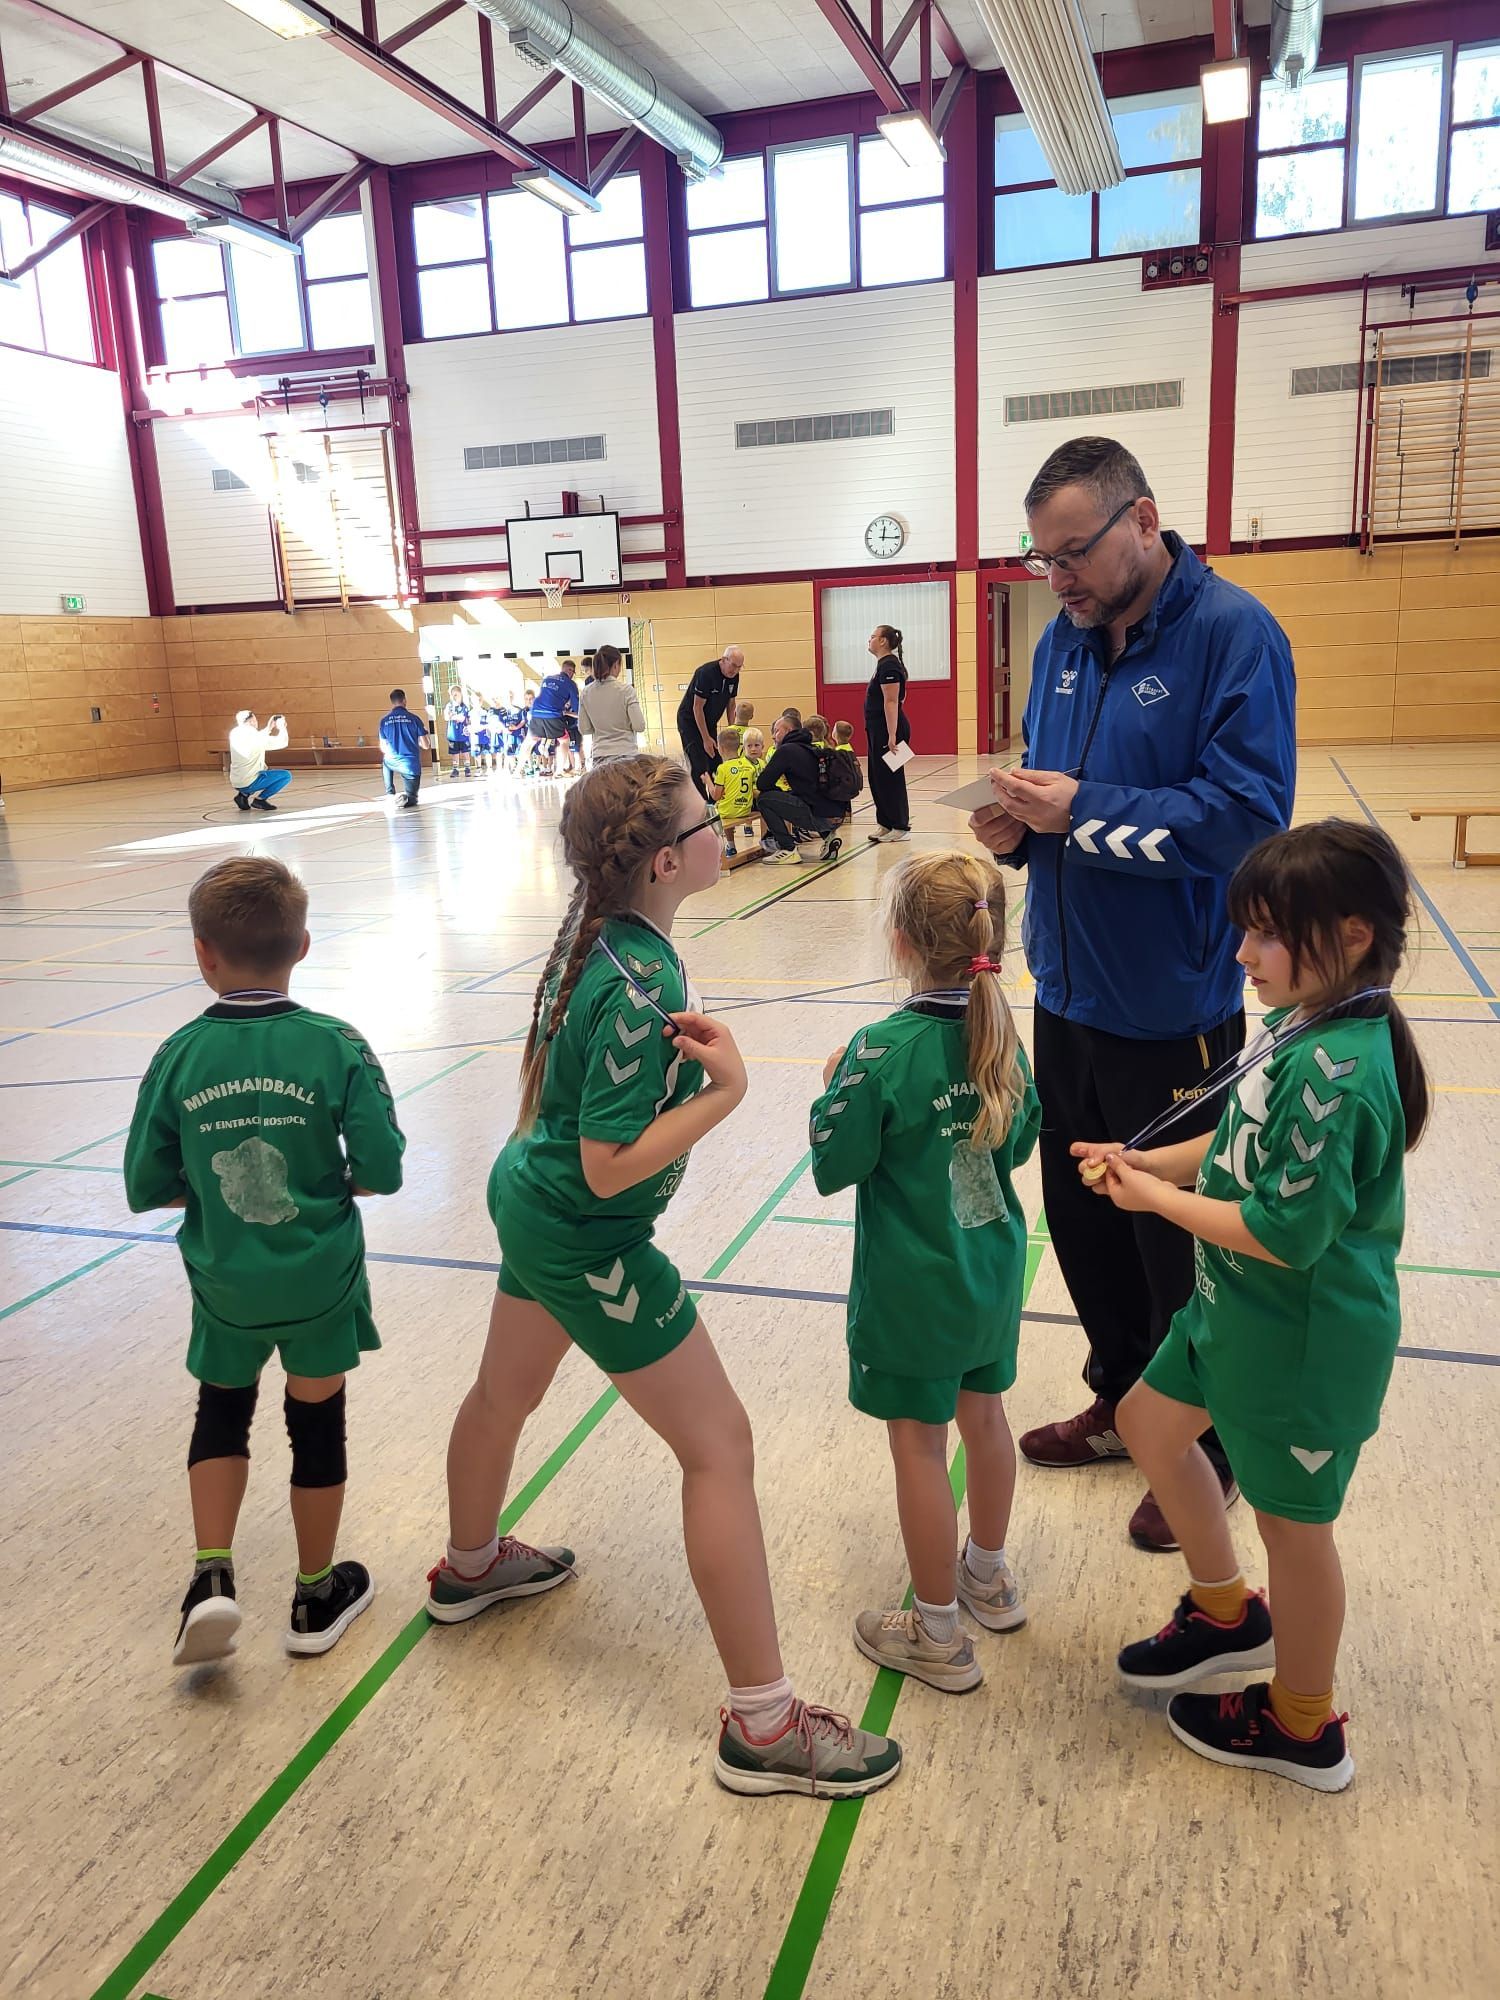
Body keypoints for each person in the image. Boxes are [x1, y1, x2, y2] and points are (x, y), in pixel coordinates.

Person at [427, 757, 901, 1800]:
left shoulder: (604, 937)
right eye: (704, 821)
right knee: (719, 1445)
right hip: (586, 1230)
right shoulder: (642, 985)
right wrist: (725, 1091)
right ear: (664, 862)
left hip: (534, 1195)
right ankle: (765, 1725)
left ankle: (470, 1564)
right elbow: (609, 1164)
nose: (724, 825)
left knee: (503, 1392)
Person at [970, 436, 1296, 1552]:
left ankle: (1206, 1441)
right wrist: (1018, 830)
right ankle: (1121, 1397)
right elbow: (1056, 797)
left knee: (1174, 1240)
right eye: (1042, 558)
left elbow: (1244, 821)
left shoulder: (1234, 635)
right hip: (1065, 992)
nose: (1057, 578)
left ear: (1143, 520)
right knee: (1085, 1220)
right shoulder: (1063, 641)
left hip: (1172, 1009)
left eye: (1074, 553)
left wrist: (1083, 810)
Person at [1077, 820, 1427, 1791]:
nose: (1242, 953)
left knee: (1294, 1531)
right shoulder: (1303, 1022)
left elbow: (1283, 1231)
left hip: (1301, 1345)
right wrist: (1150, 1163)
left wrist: (1154, 1202)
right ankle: (1227, 1615)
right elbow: (1239, 1137)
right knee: (1148, 1423)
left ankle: (1304, 1724)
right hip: (1232, 1312)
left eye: (1267, 934)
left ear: (1352, 935)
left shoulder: (1340, 1071)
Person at [122, 855, 406, 1667]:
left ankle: (211, 1577)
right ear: (303, 945)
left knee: (221, 1411)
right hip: (320, 1278)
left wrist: (207, 1194)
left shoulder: (178, 1055)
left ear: (202, 952)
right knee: (316, 1425)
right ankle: (315, 1594)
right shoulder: (337, 1045)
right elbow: (383, 1169)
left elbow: (145, 1184)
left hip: (227, 1282)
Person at [810, 852, 1041, 1692]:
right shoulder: (1001, 1034)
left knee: (918, 1444)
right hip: (990, 1273)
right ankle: (988, 1573)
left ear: (902, 942)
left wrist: (835, 1084)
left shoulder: (878, 1050)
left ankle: (937, 1632)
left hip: (912, 1289)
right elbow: (1020, 1141)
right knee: (987, 1420)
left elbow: (834, 1163)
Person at [754, 715, 843, 866]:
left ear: (788, 731)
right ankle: (829, 838)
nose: (773, 736)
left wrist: (776, 791)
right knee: (804, 796)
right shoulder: (812, 748)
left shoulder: (786, 751)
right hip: (836, 816)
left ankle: (788, 849)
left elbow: (762, 783)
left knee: (764, 799)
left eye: (776, 731)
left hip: (817, 817)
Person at [864, 626, 912, 844]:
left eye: (873, 637)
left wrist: (892, 735)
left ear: (883, 641)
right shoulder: (883, 665)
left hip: (889, 731)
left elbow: (892, 701)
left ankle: (900, 826)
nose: (870, 640)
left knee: (891, 779)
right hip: (877, 730)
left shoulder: (890, 665)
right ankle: (885, 823)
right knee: (877, 778)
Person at [677, 646, 744, 795]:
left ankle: (717, 798)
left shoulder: (734, 676)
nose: (735, 670)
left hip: (709, 722)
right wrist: (706, 738)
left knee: (715, 761)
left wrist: (732, 730)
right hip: (690, 721)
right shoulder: (705, 673)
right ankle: (701, 803)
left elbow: (731, 704)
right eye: (733, 665)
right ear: (724, 659)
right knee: (699, 764)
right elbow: (697, 708)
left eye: (739, 667)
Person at [577, 644, 647, 766]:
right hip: (626, 756)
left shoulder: (586, 692)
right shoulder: (626, 690)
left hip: (599, 757)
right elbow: (639, 726)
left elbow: (584, 729)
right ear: (615, 665)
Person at [524, 659, 580, 778]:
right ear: (569, 670)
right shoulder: (570, 683)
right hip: (552, 714)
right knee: (564, 741)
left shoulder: (547, 678)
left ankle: (517, 771)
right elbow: (576, 706)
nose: (572, 675)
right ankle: (559, 771)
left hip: (536, 712)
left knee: (529, 741)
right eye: (572, 672)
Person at [228, 710, 291, 813]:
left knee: (261, 769)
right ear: (252, 720)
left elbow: (258, 739)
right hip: (249, 782)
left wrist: (269, 728)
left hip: (236, 780)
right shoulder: (253, 735)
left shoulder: (235, 732)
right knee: (285, 776)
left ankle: (243, 795)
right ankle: (260, 800)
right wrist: (282, 727)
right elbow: (282, 742)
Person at [379, 689, 430, 809]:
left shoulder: (384, 721)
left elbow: (383, 747)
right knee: (413, 799)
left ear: (392, 702)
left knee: (386, 762)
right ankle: (405, 799)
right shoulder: (414, 719)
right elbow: (426, 745)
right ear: (404, 700)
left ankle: (390, 793)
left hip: (392, 761)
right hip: (410, 765)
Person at [708, 725, 758, 851]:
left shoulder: (722, 768)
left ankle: (729, 846)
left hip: (729, 812)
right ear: (739, 746)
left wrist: (708, 781)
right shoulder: (749, 765)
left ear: (720, 748)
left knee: (714, 809)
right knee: (727, 802)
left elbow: (716, 796)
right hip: (746, 809)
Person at [443, 689, 472, 778]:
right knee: (454, 753)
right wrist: (453, 716)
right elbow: (446, 717)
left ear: (460, 695)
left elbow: (466, 719)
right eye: (452, 695)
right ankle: (455, 769)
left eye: (456, 694)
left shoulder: (464, 706)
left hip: (463, 734)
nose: (454, 697)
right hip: (453, 734)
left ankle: (467, 768)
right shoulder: (449, 706)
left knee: (465, 752)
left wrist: (461, 718)